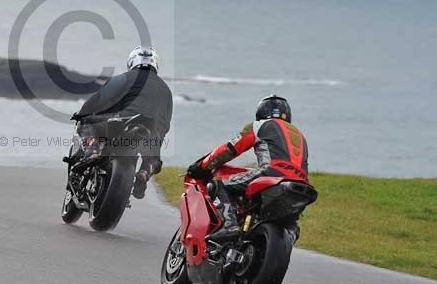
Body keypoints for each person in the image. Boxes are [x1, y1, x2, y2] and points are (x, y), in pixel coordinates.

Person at [187, 95, 308, 242]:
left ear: (261, 112)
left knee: (220, 185)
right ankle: (291, 231)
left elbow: (229, 149)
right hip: (301, 184)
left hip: (272, 173)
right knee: (291, 220)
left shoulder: (260, 125)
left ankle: (229, 225)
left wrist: (202, 166)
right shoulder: (300, 135)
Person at [72, 46, 173, 199]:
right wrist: (158, 135)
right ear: (155, 64)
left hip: (123, 122)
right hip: (153, 132)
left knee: (87, 123)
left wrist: (82, 114)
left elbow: (100, 98)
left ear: (132, 61)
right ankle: (144, 174)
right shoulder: (166, 90)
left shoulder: (125, 78)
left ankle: (93, 152)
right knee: (153, 159)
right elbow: (166, 123)